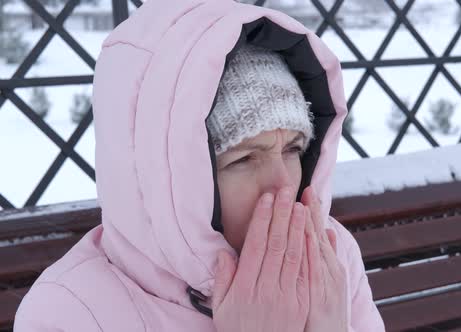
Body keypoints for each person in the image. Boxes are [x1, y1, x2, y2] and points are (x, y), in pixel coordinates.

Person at [14, 0, 385, 331]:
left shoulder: (330, 256)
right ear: (168, 175)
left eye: (293, 148)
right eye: (243, 158)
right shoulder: (69, 312)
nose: (283, 186)